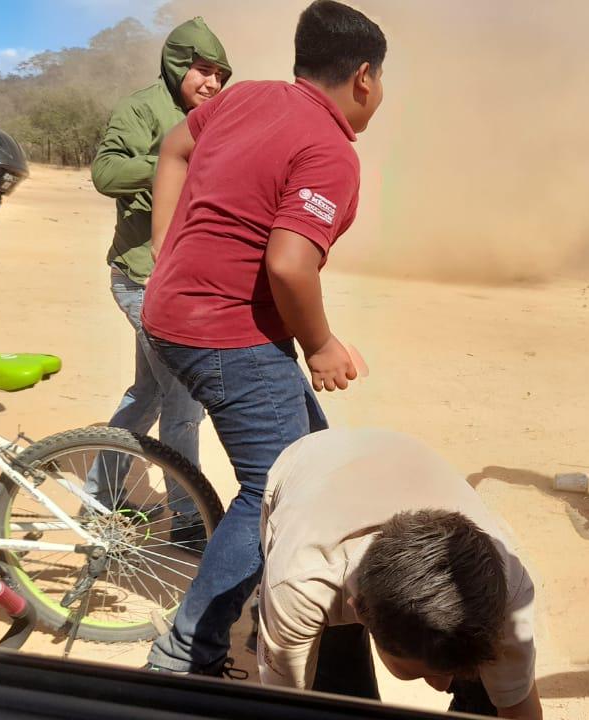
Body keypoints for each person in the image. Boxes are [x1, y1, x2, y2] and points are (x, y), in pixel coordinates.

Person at [140, 0, 385, 676]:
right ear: (364, 77)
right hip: (225, 334)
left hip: (175, 313)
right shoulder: (331, 150)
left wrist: (169, 248)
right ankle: (188, 652)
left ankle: (322, 626)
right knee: (274, 487)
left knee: (318, 462)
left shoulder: (245, 99)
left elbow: (173, 148)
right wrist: (322, 346)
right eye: (382, 83)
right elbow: (288, 263)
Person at [258, 428, 541, 719]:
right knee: (338, 691)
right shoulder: (299, 585)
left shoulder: (506, 587)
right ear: (359, 611)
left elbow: (518, 709)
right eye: (422, 674)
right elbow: (285, 705)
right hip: (314, 464)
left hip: (394, 457)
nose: (442, 685)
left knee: (484, 689)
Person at [85, 18, 232, 546]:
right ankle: (189, 519)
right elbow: (105, 174)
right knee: (183, 399)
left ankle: (96, 495)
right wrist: (170, 163)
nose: (212, 84)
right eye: (202, 71)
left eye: (220, 75)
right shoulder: (142, 108)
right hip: (141, 277)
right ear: (176, 66)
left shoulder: (216, 116)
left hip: (184, 280)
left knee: (146, 394)